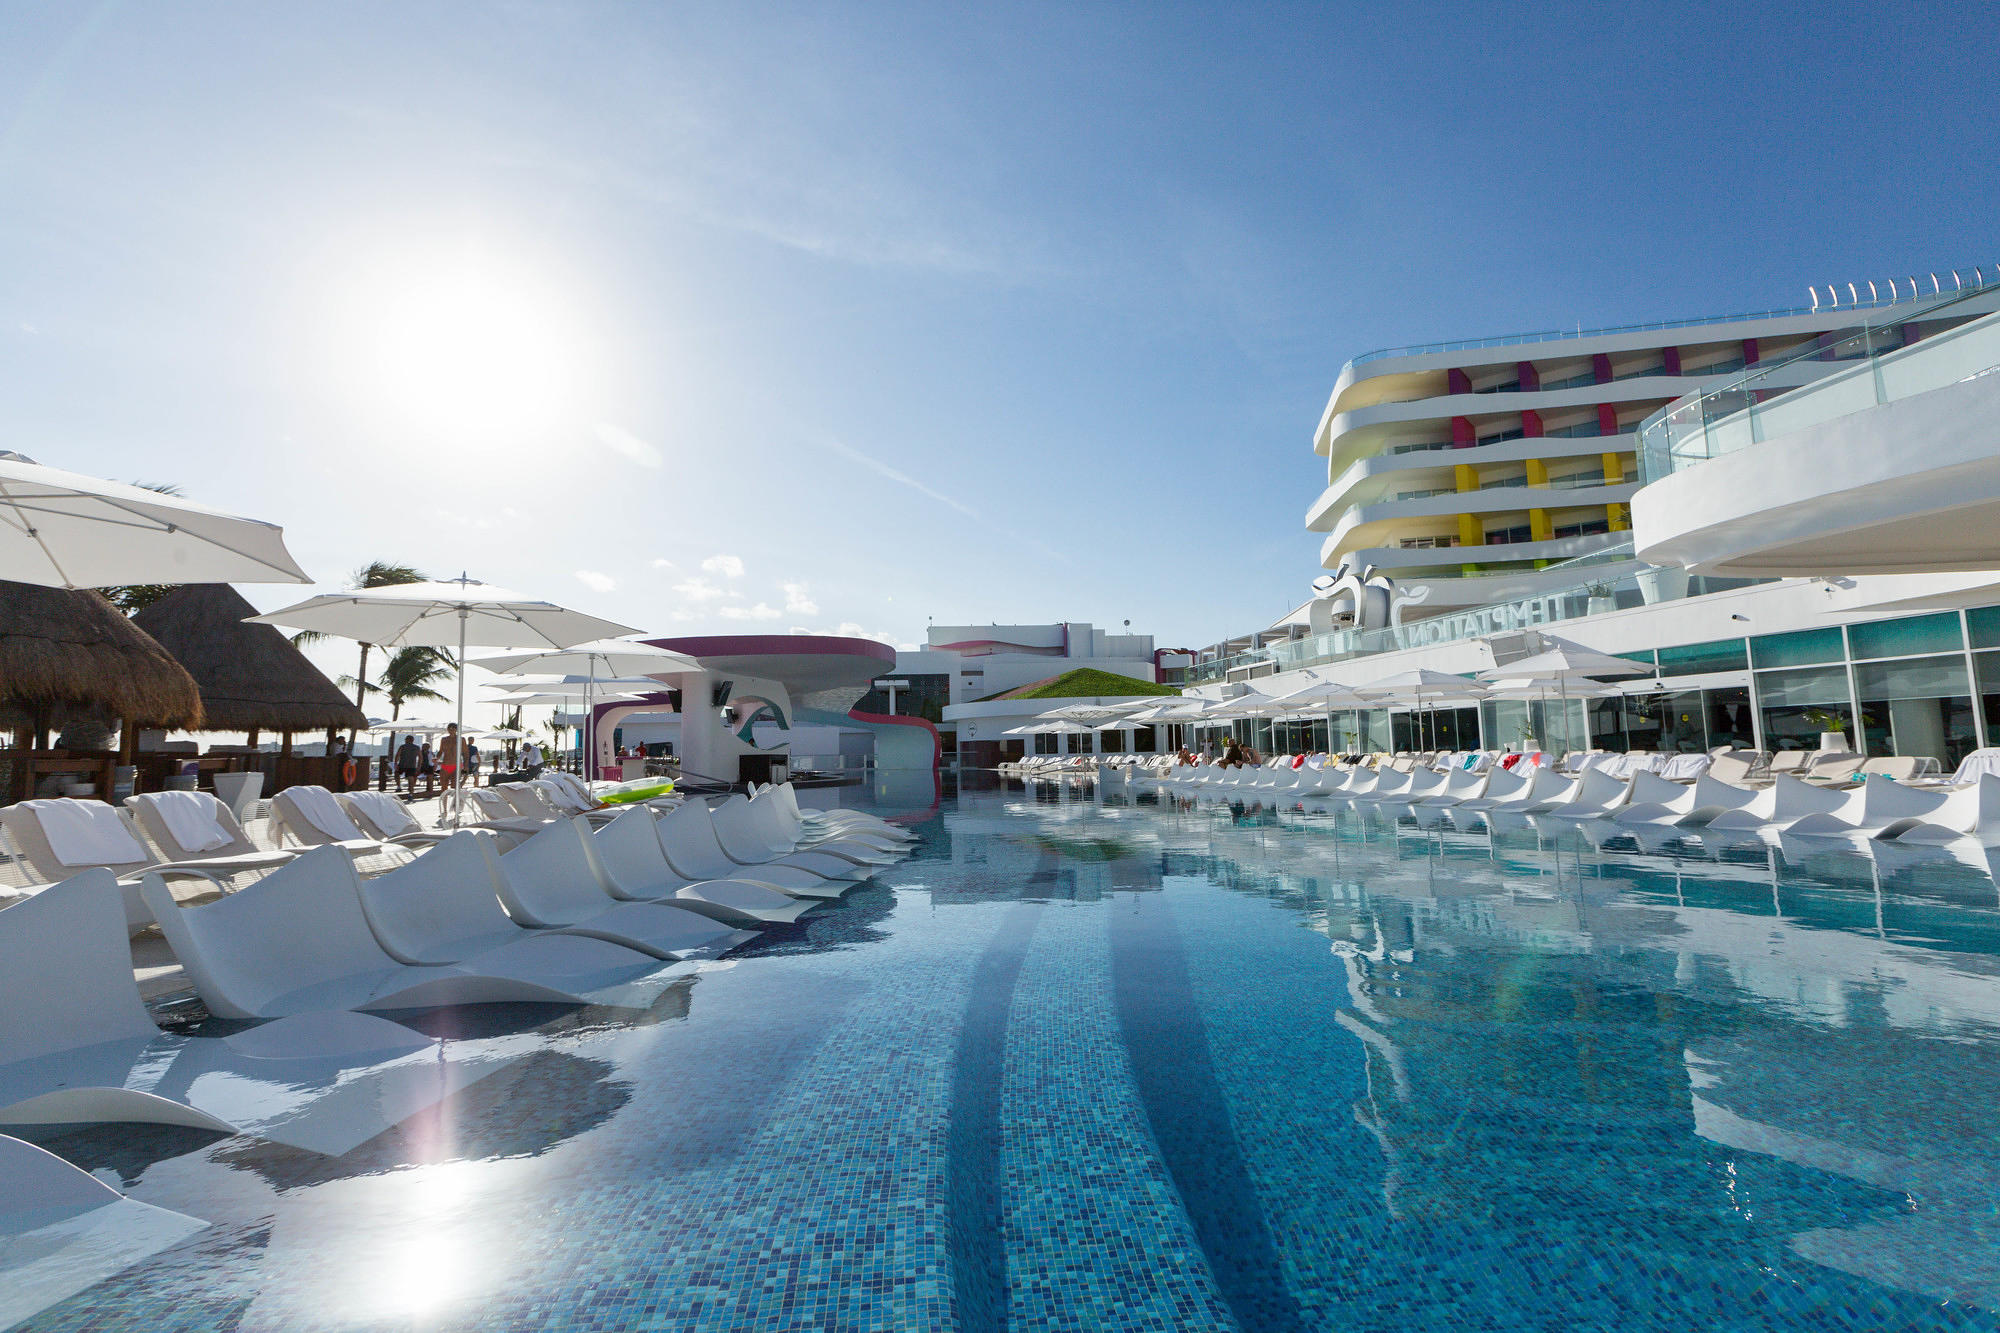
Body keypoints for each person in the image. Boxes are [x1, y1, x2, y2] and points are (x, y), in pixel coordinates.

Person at [438, 723, 463, 797]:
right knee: (443, 787)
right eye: (449, 728)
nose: (451, 730)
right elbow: (440, 751)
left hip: (456, 765)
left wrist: (466, 766)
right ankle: (444, 806)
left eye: (453, 728)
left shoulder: (460, 739)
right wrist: (437, 758)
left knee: (454, 786)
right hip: (446, 764)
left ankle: (455, 804)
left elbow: (465, 753)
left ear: (456, 729)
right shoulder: (444, 739)